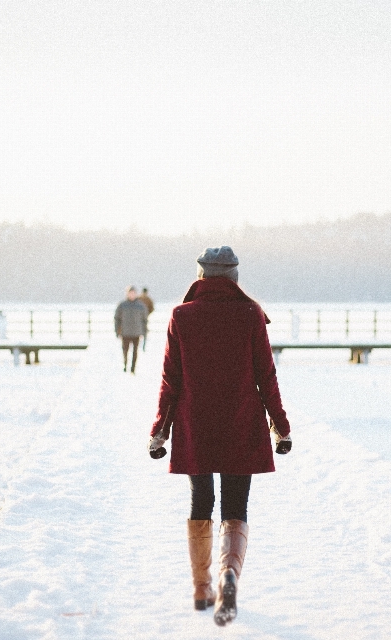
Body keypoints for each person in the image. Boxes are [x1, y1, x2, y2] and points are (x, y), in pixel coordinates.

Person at [147, 246, 292, 626]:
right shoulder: (251, 316)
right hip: (241, 420)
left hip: (196, 422)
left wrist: (160, 429)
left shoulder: (181, 315)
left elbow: (170, 379)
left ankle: (201, 587)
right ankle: (229, 576)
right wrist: (280, 424)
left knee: (200, 500)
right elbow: (266, 376)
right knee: (235, 505)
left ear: (201, 276)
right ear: (233, 278)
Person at [114, 285, 148, 373]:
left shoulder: (141, 306)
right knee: (125, 350)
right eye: (130, 293)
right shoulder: (122, 305)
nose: (132, 295)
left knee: (135, 351)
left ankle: (133, 368)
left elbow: (144, 320)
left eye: (133, 293)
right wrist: (117, 331)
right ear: (127, 294)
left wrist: (144, 332)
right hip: (125, 332)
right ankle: (125, 364)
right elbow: (117, 318)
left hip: (137, 332)